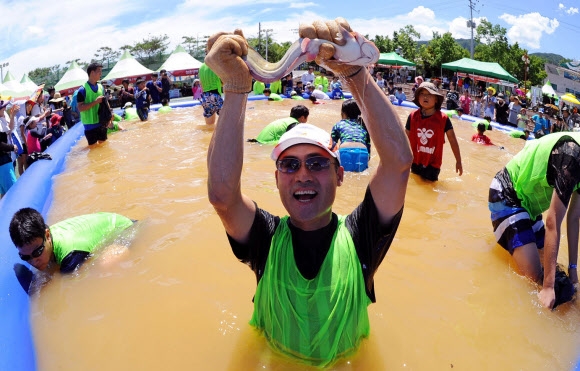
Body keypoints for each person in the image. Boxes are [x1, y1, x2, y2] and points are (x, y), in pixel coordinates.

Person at [205, 18, 412, 367]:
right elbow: (223, 196)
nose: (303, 175)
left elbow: (397, 163)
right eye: (290, 165)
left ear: (340, 174)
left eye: (317, 164)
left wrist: (355, 75)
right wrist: (236, 88)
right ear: (276, 179)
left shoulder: (362, 235)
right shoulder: (266, 240)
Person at [488, 133, 580, 309]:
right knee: (534, 279)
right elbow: (553, 221)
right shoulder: (573, 156)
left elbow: (574, 217)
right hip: (508, 194)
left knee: (560, 278)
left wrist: (573, 270)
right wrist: (547, 287)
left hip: (531, 208)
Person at [9, 208, 135, 273]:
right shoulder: (42, 237)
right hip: (109, 220)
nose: (34, 261)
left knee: (104, 265)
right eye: (25, 257)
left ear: (47, 235)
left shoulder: (70, 256)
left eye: (37, 252)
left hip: (125, 228)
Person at [405, 82, 463, 181]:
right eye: (422, 94)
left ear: (436, 99)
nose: (425, 97)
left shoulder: (443, 119)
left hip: (433, 165)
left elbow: (452, 140)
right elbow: (404, 138)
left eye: (429, 94)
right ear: (418, 98)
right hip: (415, 161)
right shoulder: (413, 116)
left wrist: (458, 161)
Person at [331, 99, 370, 172]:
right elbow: (368, 146)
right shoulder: (363, 125)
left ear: (344, 113)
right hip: (363, 152)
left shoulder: (339, 124)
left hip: (345, 151)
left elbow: (332, 145)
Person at [77, 62, 108, 145]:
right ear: (92, 73)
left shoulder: (101, 87)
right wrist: (95, 102)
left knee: (104, 146)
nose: (101, 73)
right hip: (89, 125)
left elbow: (106, 102)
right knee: (93, 149)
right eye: (99, 71)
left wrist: (110, 115)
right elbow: (80, 108)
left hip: (101, 122)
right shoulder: (82, 90)